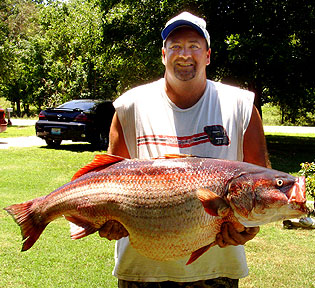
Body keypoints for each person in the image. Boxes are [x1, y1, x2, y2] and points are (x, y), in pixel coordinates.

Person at [100, 11, 270, 288]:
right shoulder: (130, 107)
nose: (185, 54)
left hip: (217, 268)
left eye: (194, 45)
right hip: (142, 271)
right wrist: (109, 220)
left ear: (208, 55)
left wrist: (248, 229)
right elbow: (109, 181)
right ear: (163, 54)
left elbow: (260, 187)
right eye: (176, 46)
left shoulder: (240, 107)